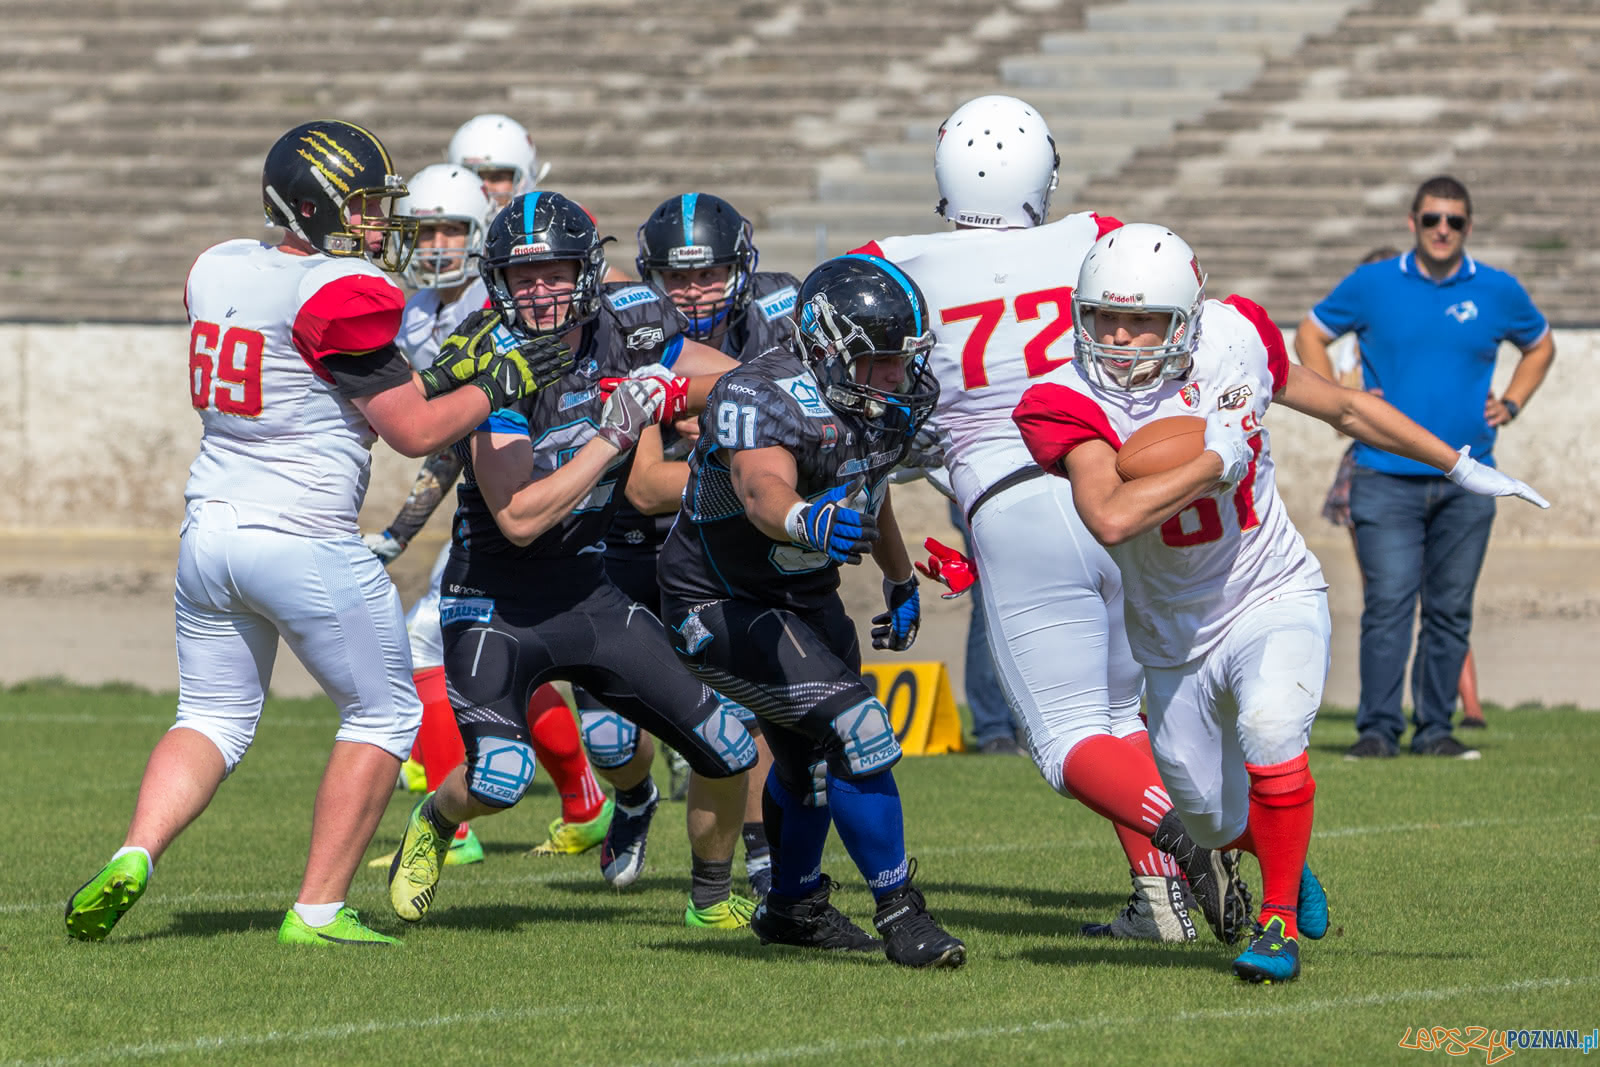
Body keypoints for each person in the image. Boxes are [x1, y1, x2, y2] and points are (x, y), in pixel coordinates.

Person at [64, 119, 565, 947]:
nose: (378, 222)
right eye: (364, 206)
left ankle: (135, 853)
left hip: (209, 533)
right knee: (384, 715)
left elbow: (341, 374)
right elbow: (410, 429)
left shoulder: (221, 266)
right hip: (302, 534)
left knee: (214, 715)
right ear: (311, 208)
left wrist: (455, 370)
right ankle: (320, 909)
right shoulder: (340, 291)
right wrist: (496, 384)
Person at [1014, 222, 1548, 981]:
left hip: (1269, 588)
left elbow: (1347, 410)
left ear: (1188, 321)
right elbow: (1110, 514)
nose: (1123, 337)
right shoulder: (1062, 397)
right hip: (1172, 635)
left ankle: (1277, 924)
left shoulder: (1235, 335)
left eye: (1144, 321)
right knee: (1207, 818)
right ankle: (1280, 854)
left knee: (1272, 728)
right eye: (1106, 317)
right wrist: (1215, 457)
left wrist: (1458, 464)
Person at [853, 95, 1244, 945]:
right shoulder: (1092, 235)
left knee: (1069, 741)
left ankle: (1204, 840)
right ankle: (1159, 900)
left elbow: (861, 409)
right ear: (1045, 173)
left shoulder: (888, 263)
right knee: (1119, 718)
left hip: (1011, 503)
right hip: (1122, 490)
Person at [384, 191, 762, 930]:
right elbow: (520, 516)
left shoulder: (635, 321)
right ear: (497, 282)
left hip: (586, 592)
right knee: (498, 774)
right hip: (495, 597)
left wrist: (693, 392)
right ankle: (435, 816)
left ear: (588, 271)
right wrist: (616, 435)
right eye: (524, 278)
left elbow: (742, 375)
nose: (541, 291)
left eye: (556, 272)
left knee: (727, 741)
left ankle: (711, 895)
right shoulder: (490, 353)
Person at [657, 253, 967, 969]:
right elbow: (762, 488)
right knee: (859, 727)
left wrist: (898, 579)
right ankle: (899, 911)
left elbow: (870, 484)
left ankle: (793, 905)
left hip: (800, 597)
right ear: (828, 350)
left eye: (903, 358)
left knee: (812, 760)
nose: (898, 375)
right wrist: (805, 521)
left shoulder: (883, 396)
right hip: (717, 601)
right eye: (880, 360)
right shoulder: (759, 392)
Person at [363, 162, 613, 867]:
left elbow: (456, 438)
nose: (436, 243)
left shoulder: (499, 304)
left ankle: (460, 826)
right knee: (508, 658)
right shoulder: (420, 308)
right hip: (495, 494)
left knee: (426, 642)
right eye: (425, 229)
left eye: (450, 229)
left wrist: (397, 531)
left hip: (531, 493)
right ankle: (584, 800)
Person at [563, 192, 801, 898]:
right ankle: (634, 798)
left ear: (742, 268)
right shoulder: (632, 327)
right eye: (677, 278)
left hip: (724, 540)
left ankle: (758, 851)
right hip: (629, 538)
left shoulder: (778, 318)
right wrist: (740, 455)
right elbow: (644, 489)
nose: (693, 292)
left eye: (709, 274)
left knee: (745, 700)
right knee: (609, 737)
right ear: (651, 279)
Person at [1295, 176, 1555, 759]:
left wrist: (1511, 402)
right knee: (1387, 605)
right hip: (1381, 474)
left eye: (1455, 221)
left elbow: (1540, 345)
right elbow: (1311, 333)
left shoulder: (1497, 289)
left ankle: (1435, 727)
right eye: (1432, 219)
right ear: (1412, 223)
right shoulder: (1372, 284)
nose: (1443, 230)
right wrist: (1340, 403)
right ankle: (1378, 729)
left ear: (1468, 227)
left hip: (1470, 478)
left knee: (1450, 609)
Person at [1312, 246, 1487, 732]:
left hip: (1438, 471)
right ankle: (1389, 723)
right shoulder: (1357, 342)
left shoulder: (1417, 333)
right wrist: (1348, 398)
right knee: (1393, 597)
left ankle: (1458, 711)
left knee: (1441, 600)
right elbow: (1340, 409)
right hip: (1377, 470)